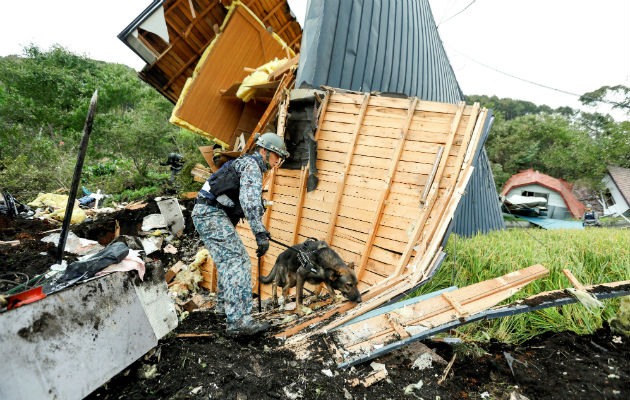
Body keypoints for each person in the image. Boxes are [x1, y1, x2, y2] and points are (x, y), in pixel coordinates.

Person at [191, 132, 289, 337]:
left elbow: (239, 199)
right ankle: (238, 322)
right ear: (264, 151)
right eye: (276, 155)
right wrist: (260, 233)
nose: (277, 161)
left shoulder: (246, 164)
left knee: (229, 262)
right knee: (238, 260)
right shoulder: (253, 166)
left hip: (205, 212)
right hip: (210, 214)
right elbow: (249, 200)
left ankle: (224, 310)